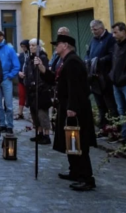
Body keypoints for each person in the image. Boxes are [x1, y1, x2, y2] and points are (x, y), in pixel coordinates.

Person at [35, 34, 97, 191]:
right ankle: (75, 171)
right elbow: (57, 81)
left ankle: (86, 178)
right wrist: (42, 69)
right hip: (67, 106)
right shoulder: (65, 61)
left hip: (76, 109)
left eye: (58, 44)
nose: (55, 47)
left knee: (79, 142)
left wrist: (72, 108)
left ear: (66, 45)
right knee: (71, 141)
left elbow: (75, 87)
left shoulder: (73, 62)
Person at [86, 20, 118, 140]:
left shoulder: (110, 39)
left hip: (106, 77)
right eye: (91, 29)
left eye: (95, 29)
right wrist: (88, 60)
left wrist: (99, 60)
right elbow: (88, 53)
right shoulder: (93, 40)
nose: (93, 32)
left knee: (110, 104)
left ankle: (114, 129)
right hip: (95, 77)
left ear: (101, 28)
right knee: (100, 105)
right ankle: (103, 128)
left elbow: (112, 55)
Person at [24, 39, 52, 145]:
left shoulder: (42, 57)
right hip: (31, 90)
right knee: (34, 114)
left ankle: (46, 135)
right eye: (30, 45)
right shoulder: (29, 58)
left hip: (41, 90)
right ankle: (39, 133)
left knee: (42, 114)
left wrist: (39, 85)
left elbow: (44, 73)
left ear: (38, 46)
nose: (31, 47)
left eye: (34, 45)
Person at [0, 30, 20, 133]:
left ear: (1, 37)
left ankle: (10, 125)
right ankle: (1, 124)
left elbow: (16, 65)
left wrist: (10, 75)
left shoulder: (9, 49)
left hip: (6, 79)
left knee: (8, 105)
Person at [16, 40, 30, 120]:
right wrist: (19, 72)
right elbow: (17, 66)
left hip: (30, 79)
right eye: (22, 47)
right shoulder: (20, 56)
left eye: (24, 47)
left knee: (30, 96)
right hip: (21, 79)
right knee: (21, 95)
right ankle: (20, 113)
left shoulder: (32, 55)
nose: (23, 48)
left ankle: (32, 114)